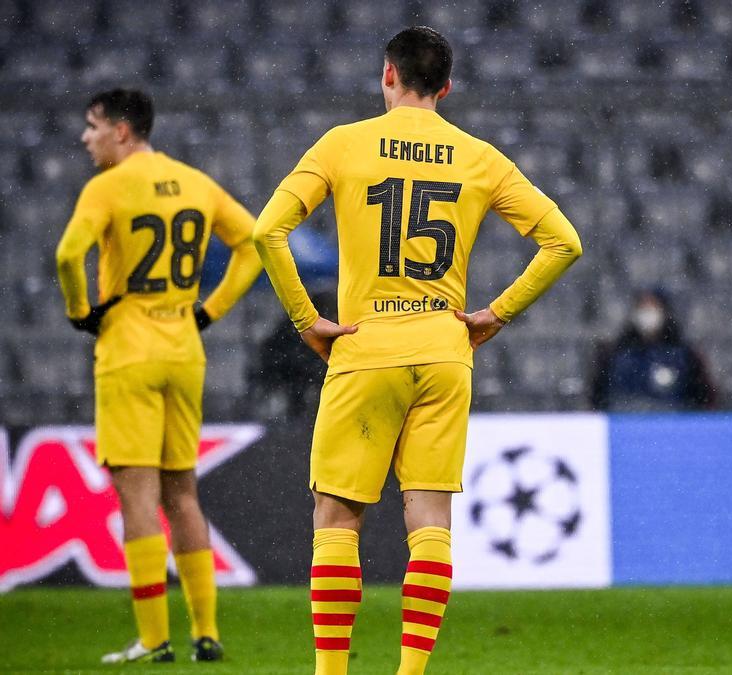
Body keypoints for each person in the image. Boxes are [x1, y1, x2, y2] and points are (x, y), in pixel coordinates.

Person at [252, 27, 582, 675]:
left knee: (337, 513)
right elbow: (564, 241)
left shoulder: (343, 145)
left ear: (387, 76)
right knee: (428, 514)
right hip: (443, 345)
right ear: (447, 86)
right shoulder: (478, 156)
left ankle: (331, 673)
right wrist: (497, 312)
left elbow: (268, 229)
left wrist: (306, 319)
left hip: (364, 342)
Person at [54, 89, 262, 663]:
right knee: (184, 495)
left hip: (129, 350)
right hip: (184, 348)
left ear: (122, 131)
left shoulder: (107, 188)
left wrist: (80, 313)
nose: (86, 137)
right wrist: (209, 311)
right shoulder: (194, 181)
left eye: (93, 126)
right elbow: (256, 244)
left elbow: (69, 255)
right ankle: (207, 632)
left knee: (138, 499)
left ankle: (153, 638)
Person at [589, 289, 716, 411]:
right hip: (624, 427)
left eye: (653, 308)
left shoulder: (686, 355)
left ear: (665, 312)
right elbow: (596, 398)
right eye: (643, 308)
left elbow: (704, 400)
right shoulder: (613, 354)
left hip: (673, 427)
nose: (648, 314)